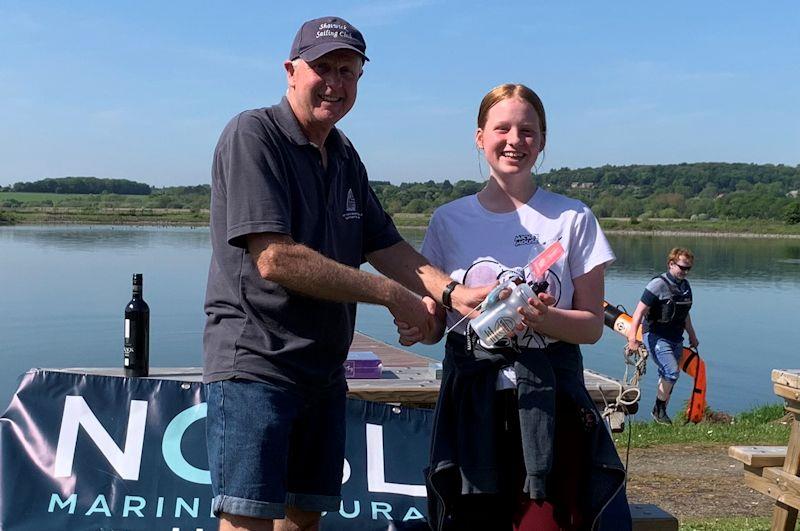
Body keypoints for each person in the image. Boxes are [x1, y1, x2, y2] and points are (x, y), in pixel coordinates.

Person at [202, 16, 489, 531]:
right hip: (256, 364)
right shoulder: (253, 134)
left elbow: (383, 242)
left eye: (349, 71)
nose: (335, 83)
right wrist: (394, 298)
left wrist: (450, 292)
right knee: (248, 520)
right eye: (323, 67)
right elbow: (275, 258)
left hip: (323, 370)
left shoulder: (343, 152)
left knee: (305, 514)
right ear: (291, 70)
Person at [398, 84, 631, 530]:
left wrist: (546, 318)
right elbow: (438, 320)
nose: (514, 140)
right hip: (471, 404)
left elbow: (590, 328)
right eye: (501, 128)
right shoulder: (448, 220)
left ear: (542, 141)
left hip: (550, 402)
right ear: (479, 136)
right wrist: (417, 324)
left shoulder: (573, 218)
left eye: (527, 131)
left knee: (542, 524)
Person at [627, 247, 698, 425]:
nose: (685, 272)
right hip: (656, 336)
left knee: (668, 375)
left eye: (688, 269)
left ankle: (660, 412)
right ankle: (659, 410)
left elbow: (685, 314)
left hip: (676, 338)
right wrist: (632, 338)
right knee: (671, 371)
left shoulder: (685, 286)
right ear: (671, 264)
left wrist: (692, 335)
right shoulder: (657, 285)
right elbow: (639, 312)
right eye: (682, 267)